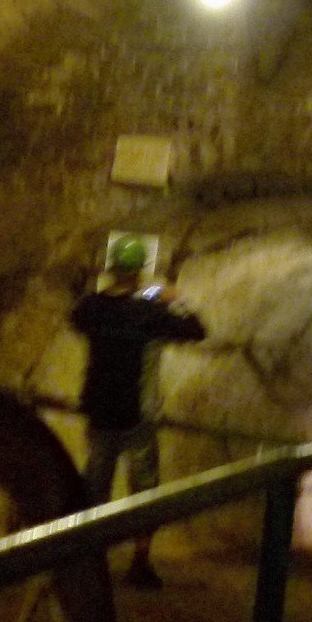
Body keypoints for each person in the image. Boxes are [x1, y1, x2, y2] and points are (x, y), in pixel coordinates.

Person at [70, 235, 205, 588]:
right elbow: (196, 330)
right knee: (144, 492)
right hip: (138, 414)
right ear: (142, 271)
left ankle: (87, 560)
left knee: (95, 486)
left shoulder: (92, 308)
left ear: (112, 268)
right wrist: (176, 300)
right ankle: (139, 564)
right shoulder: (150, 313)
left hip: (99, 409)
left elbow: (79, 314)